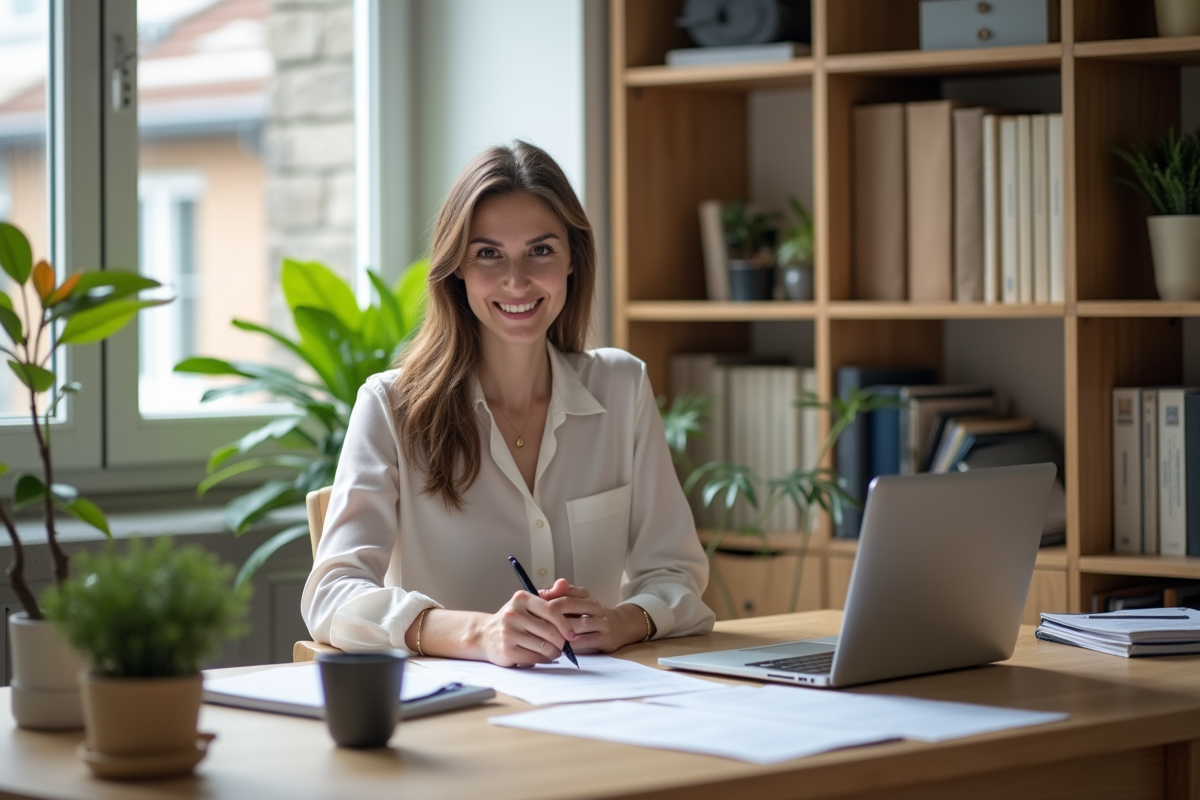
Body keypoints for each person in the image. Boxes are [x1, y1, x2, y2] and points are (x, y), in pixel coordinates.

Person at [301, 141, 714, 667]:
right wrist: (477, 634)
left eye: (540, 250)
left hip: (602, 710)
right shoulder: (390, 407)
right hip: (456, 716)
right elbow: (331, 594)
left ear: (572, 261)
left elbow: (675, 573)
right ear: (457, 270)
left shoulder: (622, 388)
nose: (516, 280)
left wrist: (621, 621)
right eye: (488, 254)